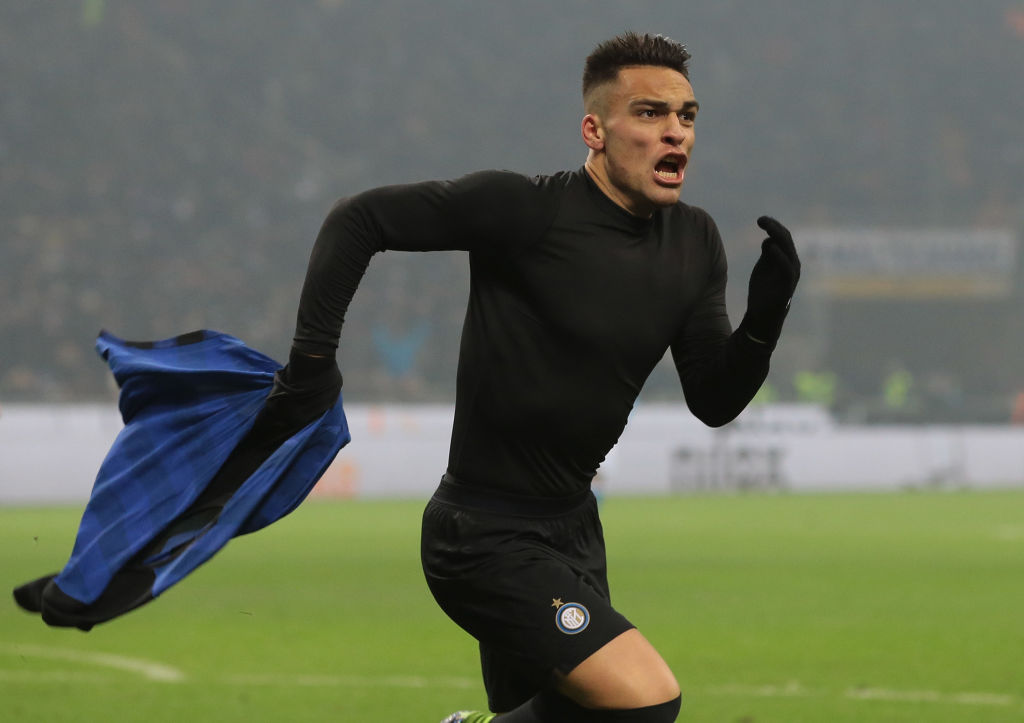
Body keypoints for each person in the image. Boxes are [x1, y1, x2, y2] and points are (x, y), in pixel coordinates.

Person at [285, 31, 799, 722]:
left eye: (687, 116)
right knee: (647, 700)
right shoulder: (526, 212)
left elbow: (712, 397)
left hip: (574, 531)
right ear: (595, 129)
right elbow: (360, 220)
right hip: (482, 533)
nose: (675, 132)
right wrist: (312, 360)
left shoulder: (695, 242)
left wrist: (763, 320)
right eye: (649, 113)